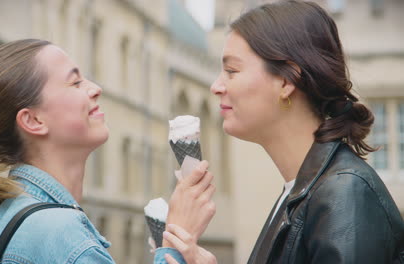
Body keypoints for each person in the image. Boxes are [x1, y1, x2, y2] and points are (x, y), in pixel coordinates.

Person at [163, 1, 404, 263]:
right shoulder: (300, 191)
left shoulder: (344, 193)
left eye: (232, 71)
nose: (216, 86)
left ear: (287, 81)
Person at [0, 39, 216, 263]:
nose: (95, 89)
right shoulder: (61, 235)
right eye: (75, 83)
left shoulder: (22, 215)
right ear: (33, 120)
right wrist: (178, 238)